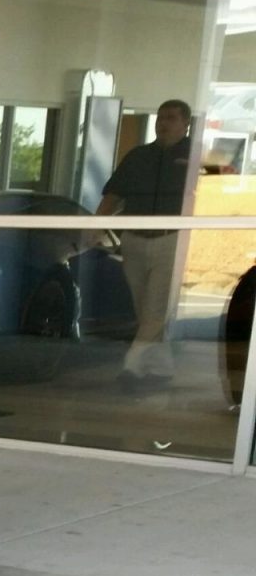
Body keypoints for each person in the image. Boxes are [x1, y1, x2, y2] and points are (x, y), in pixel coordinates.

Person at [96, 100, 195, 392]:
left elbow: (219, 190)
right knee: (145, 309)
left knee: (155, 308)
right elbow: (113, 194)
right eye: (160, 117)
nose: (164, 123)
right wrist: (95, 226)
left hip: (171, 241)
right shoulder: (139, 156)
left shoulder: (197, 156)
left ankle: (132, 365)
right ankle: (162, 367)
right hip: (135, 240)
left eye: (172, 118)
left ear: (185, 123)